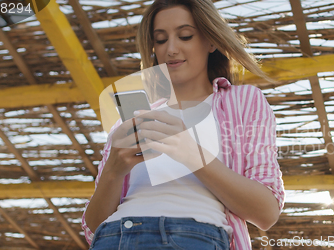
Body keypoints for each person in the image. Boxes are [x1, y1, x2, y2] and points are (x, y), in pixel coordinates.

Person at [81, 0, 285, 249]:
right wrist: (113, 171)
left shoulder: (243, 101)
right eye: (161, 39)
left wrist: (191, 153)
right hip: (115, 238)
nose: (171, 49)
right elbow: (92, 231)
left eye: (185, 36)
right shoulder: (132, 118)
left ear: (211, 41)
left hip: (194, 237)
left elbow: (266, 212)